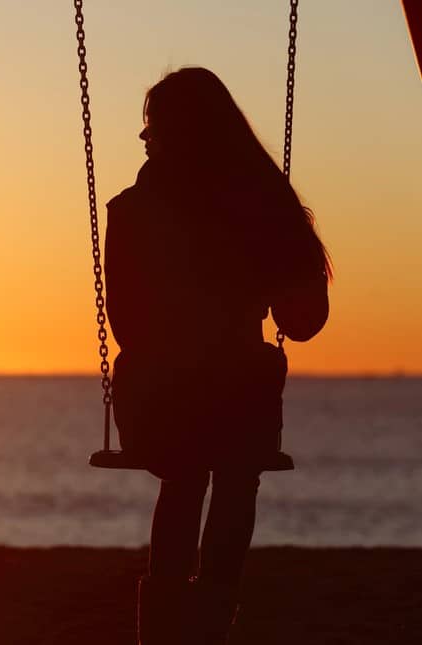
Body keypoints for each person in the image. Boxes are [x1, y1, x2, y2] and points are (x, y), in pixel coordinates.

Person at [104, 67, 330, 645]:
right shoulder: (260, 202)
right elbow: (304, 323)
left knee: (183, 478)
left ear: (179, 131)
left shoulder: (132, 211)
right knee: (235, 475)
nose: (144, 137)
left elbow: (127, 323)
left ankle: (162, 634)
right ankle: (208, 627)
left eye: (151, 125)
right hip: (234, 397)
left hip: (159, 396)